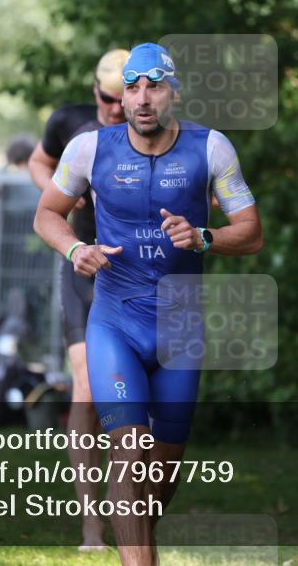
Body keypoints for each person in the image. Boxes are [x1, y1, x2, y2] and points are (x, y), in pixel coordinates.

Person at [34, 42, 263, 566]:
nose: (141, 99)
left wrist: (205, 238)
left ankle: (135, 546)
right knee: (129, 452)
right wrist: (76, 247)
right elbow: (47, 214)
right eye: (132, 87)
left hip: (180, 330)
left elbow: (250, 233)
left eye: (153, 86)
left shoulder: (212, 149)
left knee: (157, 481)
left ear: (172, 92)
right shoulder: (89, 149)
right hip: (115, 320)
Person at [27, 48, 129, 551]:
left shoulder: (158, 135)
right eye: (107, 99)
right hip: (83, 269)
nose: (115, 109)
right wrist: (61, 194)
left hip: (136, 278)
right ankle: (92, 526)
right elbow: (38, 161)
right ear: (96, 93)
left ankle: (130, 511)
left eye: (123, 98)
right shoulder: (71, 125)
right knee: (86, 387)